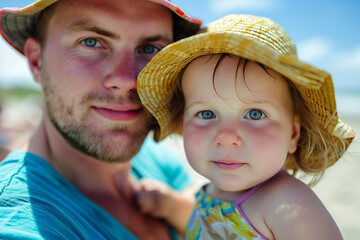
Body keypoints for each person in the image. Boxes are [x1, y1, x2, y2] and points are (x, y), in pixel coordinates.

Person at [137, 14, 355, 239]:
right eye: (206, 113)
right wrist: (167, 204)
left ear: (293, 134)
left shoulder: (287, 203)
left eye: (255, 114)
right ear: (184, 123)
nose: (226, 136)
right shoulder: (207, 192)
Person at [0, 0, 202, 239]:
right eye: (91, 42)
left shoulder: (155, 157)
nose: (127, 79)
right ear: (36, 61)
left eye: (151, 49)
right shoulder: (18, 222)